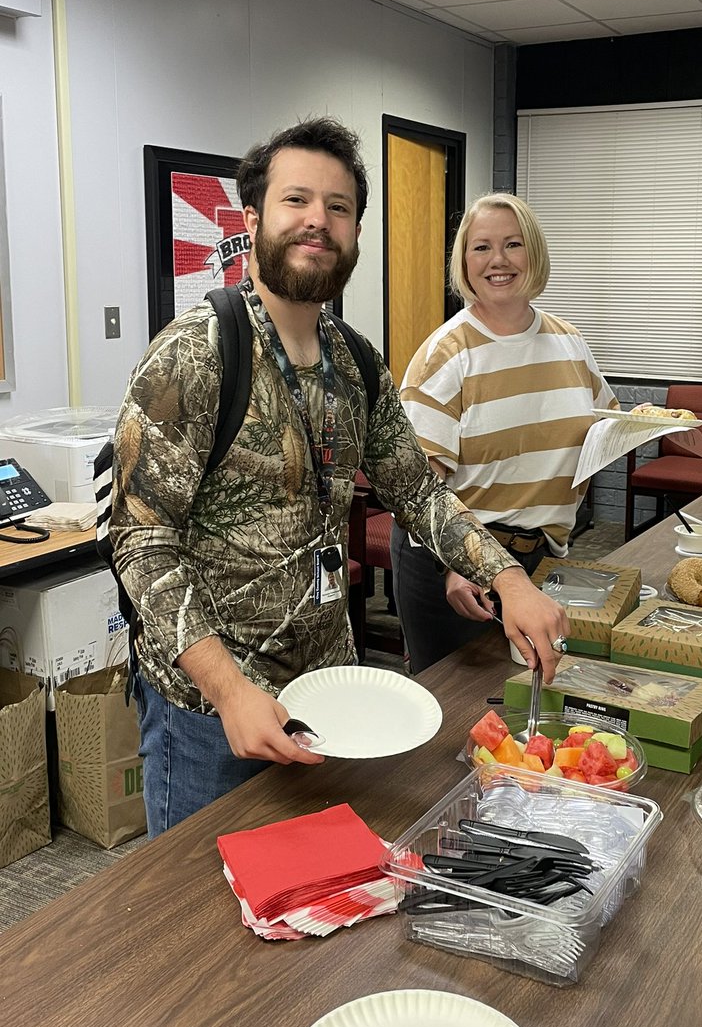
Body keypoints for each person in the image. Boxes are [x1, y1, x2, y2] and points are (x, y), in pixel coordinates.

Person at [108, 118, 568, 837]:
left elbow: (415, 487)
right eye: (297, 201)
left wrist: (508, 579)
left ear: (355, 233)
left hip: (327, 692)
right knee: (203, 922)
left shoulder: (355, 361)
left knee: (320, 909)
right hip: (210, 714)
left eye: (339, 207)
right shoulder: (192, 356)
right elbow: (141, 544)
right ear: (255, 219)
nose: (317, 221)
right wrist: (228, 691)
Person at [391, 192, 617, 673]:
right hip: (454, 569)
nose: (498, 260)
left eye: (513, 245)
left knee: (531, 691)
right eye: (481, 248)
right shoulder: (445, 354)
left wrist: (669, 428)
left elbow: (606, 427)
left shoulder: (569, 342)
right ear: (463, 262)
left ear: (533, 253)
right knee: (458, 710)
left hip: (543, 559)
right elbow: (417, 487)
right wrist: (456, 564)